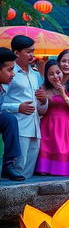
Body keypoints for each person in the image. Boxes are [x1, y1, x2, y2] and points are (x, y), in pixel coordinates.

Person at [1, 35, 48, 178]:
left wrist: (43, 100)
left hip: (35, 127)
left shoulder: (35, 75)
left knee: (28, 174)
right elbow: (1, 105)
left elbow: (41, 107)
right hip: (18, 128)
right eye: (28, 51)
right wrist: (18, 107)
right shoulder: (7, 73)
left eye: (33, 51)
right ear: (16, 53)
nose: (32, 55)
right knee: (17, 170)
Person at [0, 47, 24, 180]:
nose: (13, 74)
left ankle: (8, 165)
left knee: (9, 119)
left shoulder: (4, 87)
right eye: (9, 70)